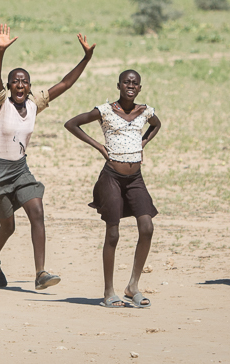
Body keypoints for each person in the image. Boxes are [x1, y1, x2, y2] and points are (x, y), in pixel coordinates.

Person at [0, 23, 95, 291]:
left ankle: (40, 273)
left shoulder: (34, 104)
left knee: (37, 211)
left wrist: (86, 58)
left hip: (20, 169)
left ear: (29, 86)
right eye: (15, 81)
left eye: (24, 81)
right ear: (10, 86)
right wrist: (0, 52)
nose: (20, 84)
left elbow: (65, 84)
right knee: (7, 228)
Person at [64, 69, 161, 309]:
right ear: (118, 85)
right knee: (113, 232)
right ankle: (109, 291)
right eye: (126, 82)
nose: (131, 85)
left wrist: (144, 141)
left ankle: (133, 286)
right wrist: (98, 145)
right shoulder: (105, 110)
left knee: (147, 227)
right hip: (111, 178)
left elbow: (156, 125)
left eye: (135, 83)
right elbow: (72, 123)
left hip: (135, 178)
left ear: (139, 88)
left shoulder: (145, 111)